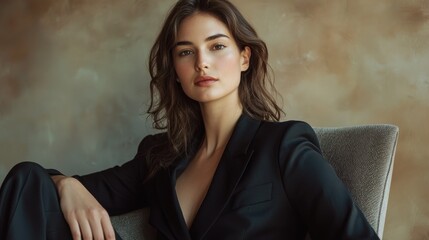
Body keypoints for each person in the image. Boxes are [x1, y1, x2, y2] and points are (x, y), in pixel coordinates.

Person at [0, 0, 380, 239]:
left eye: (217, 46)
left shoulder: (284, 145)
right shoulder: (159, 156)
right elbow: (43, 196)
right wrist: (64, 183)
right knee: (26, 179)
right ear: (176, 71)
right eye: (186, 52)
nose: (202, 62)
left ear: (244, 58)